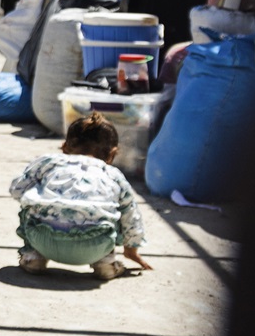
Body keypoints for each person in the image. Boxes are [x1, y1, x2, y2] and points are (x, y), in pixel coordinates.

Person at [9, 112, 153, 280]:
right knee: (115, 212)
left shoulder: (48, 162)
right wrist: (131, 248)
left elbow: (17, 191)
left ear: (64, 147)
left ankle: (34, 258)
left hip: (43, 240)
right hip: (95, 246)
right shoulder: (113, 174)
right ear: (112, 154)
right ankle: (105, 263)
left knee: (29, 205)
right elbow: (131, 215)